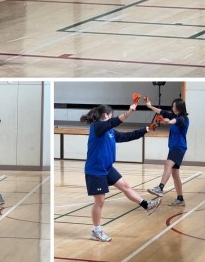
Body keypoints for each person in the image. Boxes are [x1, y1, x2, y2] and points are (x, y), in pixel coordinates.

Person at [81, 103, 161, 242]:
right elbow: (113, 122)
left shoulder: (111, 132)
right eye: (111, 115)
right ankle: (96, 231)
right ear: (106, 115)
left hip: (107, 168)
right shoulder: (97, 127)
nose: (112, 117)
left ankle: (146, 205)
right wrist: (129, 113)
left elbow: (127, 136)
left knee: (126, 186)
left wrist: (146, 129)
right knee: (100, 201)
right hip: (96, 170)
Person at [145, 97, 189, 206]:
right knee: (175, 173)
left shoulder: (183, 118)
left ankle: (160, 188)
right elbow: (161, 111)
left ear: (180, 107)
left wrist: (168, 121)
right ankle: (180, 199)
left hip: (179, 147)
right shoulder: (174, 115)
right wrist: (150, 106)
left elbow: (175, 121)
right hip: (173, 147)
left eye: (175, 107)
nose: (173, 108)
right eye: (172, 106)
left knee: (168, 164)